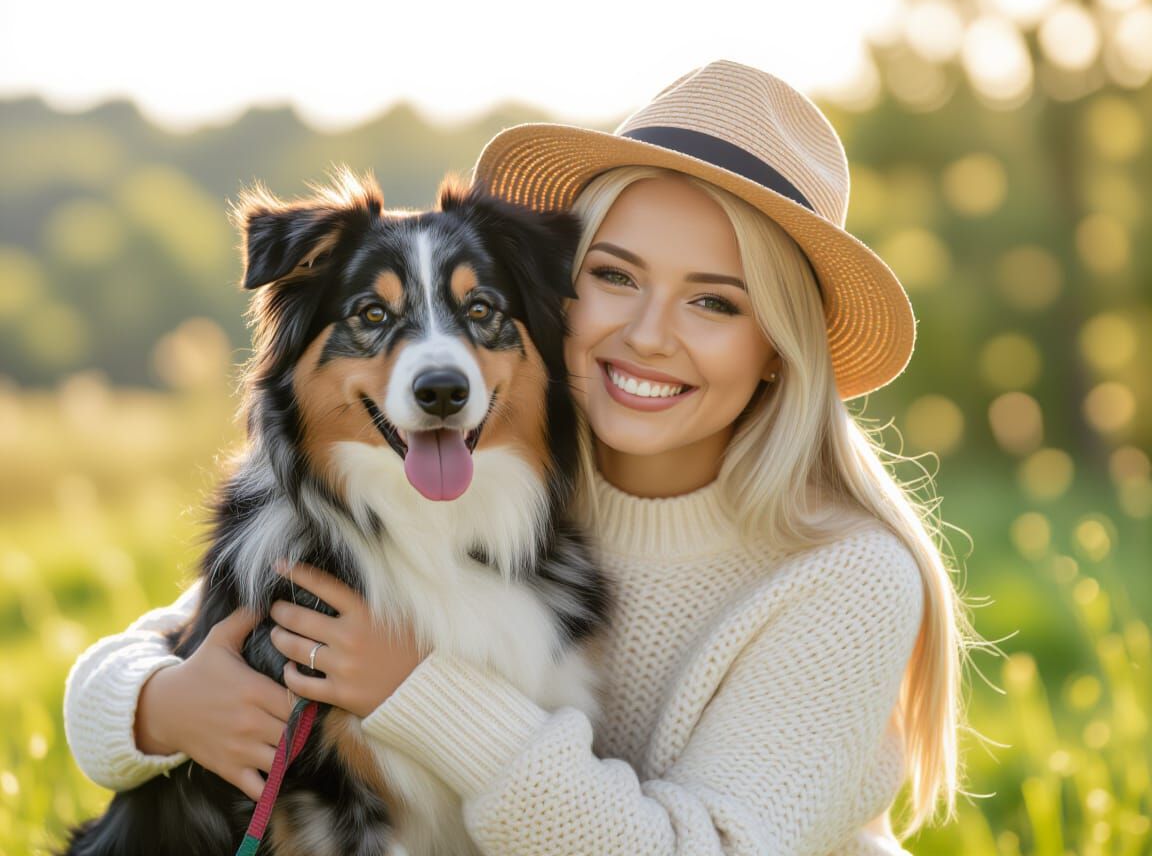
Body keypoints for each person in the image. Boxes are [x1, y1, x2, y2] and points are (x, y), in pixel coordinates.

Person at [63, 60, 979, 854]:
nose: (650, 335)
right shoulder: (513, 489)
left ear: (779, 345)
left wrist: (420, 690)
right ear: (559, 296)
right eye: (615, 277)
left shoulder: (846, 578)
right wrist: (156, 708)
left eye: (716, 303)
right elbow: (173, 640)